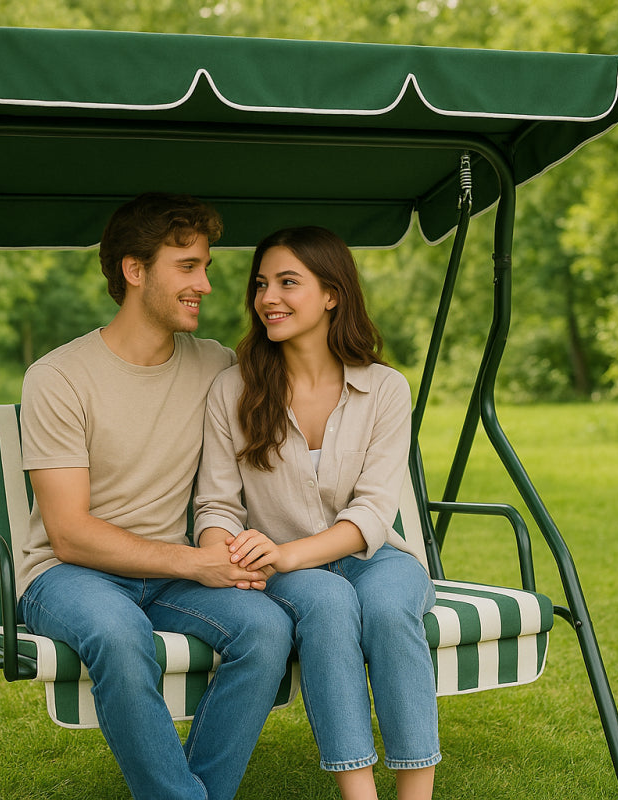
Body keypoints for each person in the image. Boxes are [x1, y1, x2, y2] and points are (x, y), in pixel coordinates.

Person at [16, 193, 293, 800]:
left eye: (207, 266)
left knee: (267, 629)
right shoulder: (57, 378)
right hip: (68, 575)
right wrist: (198, 562)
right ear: (134, 270)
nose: (207, 284)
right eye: (188, 266)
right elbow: (68, 531)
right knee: (118, 634)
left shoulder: (217, 366)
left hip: (170, 577)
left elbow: (299, 384)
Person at [194, 226, 440, 800]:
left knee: (385, 604)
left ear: (331, 293)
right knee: (327, 603)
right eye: (261, 285)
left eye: (288, 283)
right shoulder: (233, 389)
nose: (268, 298)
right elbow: (216, 503)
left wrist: (291, 551)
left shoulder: (385, 389)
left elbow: (376, 510)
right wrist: (225, 555)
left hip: (375, 557)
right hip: (286, 572)